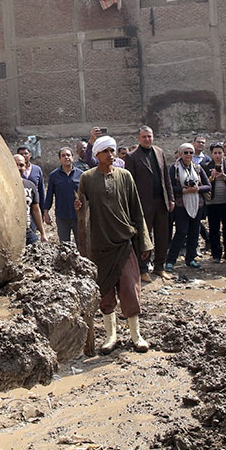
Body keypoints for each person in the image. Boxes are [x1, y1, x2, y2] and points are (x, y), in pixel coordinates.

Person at [76, 135, 152, 353]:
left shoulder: (125, 176)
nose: (110, 155)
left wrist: (144, 242)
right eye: (105, 151)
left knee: (130, 288)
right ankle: (111, 336)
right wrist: (79, 206)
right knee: (106, 293)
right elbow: (83, 213)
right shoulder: (87, 178)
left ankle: (136, 335)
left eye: (112, 150)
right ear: (96, 154)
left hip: (124, 243)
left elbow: (136, 210)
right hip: (100, 247)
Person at [125, 126, 174, 281]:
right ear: (139, 138)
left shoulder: (159, 152)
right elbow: (129, 183)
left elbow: (166, 177)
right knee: (144, 236)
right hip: (143, 204)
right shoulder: (132, 157)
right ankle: (143, 268)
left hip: (161, 201)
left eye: (150, 136)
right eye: (144, 137)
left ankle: (160, 266)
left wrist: (171, 198)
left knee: (163, 235)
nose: (147, 139)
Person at [165, 143, 211, 271]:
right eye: (186, 152)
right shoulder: (174, 169)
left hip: (197, 204)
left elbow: (208, 186)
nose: (189, 155)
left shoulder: (197, 168)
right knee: (181, 232)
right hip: (181, 205)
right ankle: (170, 260)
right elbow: (170, 187)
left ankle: (191, 258)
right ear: (180, 154)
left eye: (191, 152)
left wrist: (197, 188)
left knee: (194, 232)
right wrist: (182, 190)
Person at [44, 147, 84, 243]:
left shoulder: (81, 175)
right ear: (59, 159)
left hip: (78, 216)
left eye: (68, 155)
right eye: (63, 155)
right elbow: (49, 195)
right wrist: (46, 212)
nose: (66, 157)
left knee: (81, 243)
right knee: (64, 245)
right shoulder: (54, 176)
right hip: (62, 216)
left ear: (73, 158)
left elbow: (86, 195)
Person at [205, 143, 226, 263]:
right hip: (212, 203)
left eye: (220, 153)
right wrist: (211, 178)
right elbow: (203, 183)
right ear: (211, 154)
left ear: (223, 153)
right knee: (214, 229)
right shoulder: (206, 166)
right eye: (215, 153)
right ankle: (216, 254)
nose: (217, 155)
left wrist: (225, 177)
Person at [14, 154, 46, 245]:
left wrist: (43, 233)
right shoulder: (3, 185)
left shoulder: (30, 185)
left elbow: (35, 209)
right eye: (15, 165)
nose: (18, 168)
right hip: (11, 232)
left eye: (21, 165)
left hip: (27, 230)